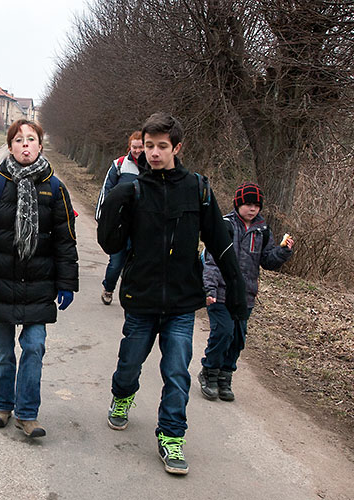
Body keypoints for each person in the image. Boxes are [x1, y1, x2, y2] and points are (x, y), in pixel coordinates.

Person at [97, 112, 247, 475]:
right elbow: (110, 243)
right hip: (141, 298)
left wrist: (236, 288)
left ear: (177, 148)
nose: (154, 153)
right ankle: (122, 396)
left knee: (177, 371)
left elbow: (220, 242)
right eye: (149, 146)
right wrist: (114, 205)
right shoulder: (134, 190)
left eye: (162, 146)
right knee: (129, 364)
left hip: (181, 301)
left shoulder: (197, 188)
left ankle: (172, 436)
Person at [0, 119, 79, 438]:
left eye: (31, 139)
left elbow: (66, 241)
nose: (25, 145)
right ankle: (2, 404)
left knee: (35, 346)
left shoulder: (55, 188)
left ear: (40, 145)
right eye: (19, 140)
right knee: (2, 352)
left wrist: (67, 283)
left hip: (39, 285)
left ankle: (28, 413)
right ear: (10, 146)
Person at [198, 183, 294, 401]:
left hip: (245, 295)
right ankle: (209, 372)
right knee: (223, 332)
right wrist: (209, 288)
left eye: (256, 205)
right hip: (221, 292)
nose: (252, 209)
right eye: (248, 204)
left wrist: (283, 252)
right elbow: (212, 260)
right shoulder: (224, 225)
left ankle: (225, 377)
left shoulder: (262, 231)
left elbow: (268, 260)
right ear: (238, 203)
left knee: (237, 338)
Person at [95, 131, 144, 305]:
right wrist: (101, 217)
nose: (138, 150)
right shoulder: (120, 165)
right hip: (119, 224)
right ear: (129, 147)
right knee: (116, 262)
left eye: (141, 147)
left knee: (135, 264)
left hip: (140, 226)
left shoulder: (152, 168)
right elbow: (106, 191)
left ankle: (129, 295)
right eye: (135, 147)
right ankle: (108, 288)